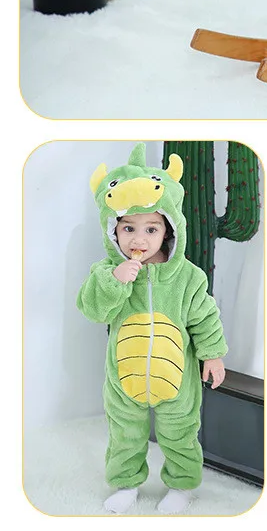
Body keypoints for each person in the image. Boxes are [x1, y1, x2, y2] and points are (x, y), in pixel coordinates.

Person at [77, 143, 227, 514]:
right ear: (113, 229)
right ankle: (126, 484)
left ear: (169, 230)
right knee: (125, 433)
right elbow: (93, 309)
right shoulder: (106, 272)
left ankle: (181, 486)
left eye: (151, 228)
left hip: (176, 378)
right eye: (128, 228)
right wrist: (115, 280)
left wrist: (212, 355)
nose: (138, 239)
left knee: (180, 433)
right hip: (124, 378)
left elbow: (205, 316)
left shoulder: (187, 276)